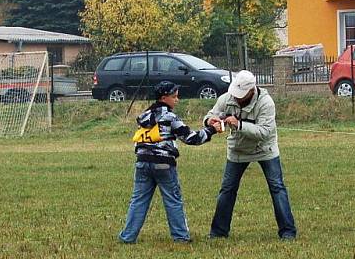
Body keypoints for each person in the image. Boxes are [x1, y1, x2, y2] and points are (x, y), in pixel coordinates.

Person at [119, 81, 220, 243]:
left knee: (138, 200)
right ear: (164, 98)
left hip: (142, 162)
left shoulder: (144, 116)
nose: (177, 100)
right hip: (163, 163)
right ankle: (180, 237)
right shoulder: (170, 117)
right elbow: (191, 138)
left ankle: (128, 236)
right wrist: (211, 130)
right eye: (174, 96)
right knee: (173, 200)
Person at [204, 70, 297, 240]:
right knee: (227, 189)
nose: (237, 97)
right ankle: (218, 232)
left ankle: (288, 232)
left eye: (241, 94)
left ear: (252, 91)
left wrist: (239, 125)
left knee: (277, 188)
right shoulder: (226, 98)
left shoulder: (266, 103)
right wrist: (210, 121)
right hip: (237, 151)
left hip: (265, 150)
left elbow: (264, 132)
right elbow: (212, 113)